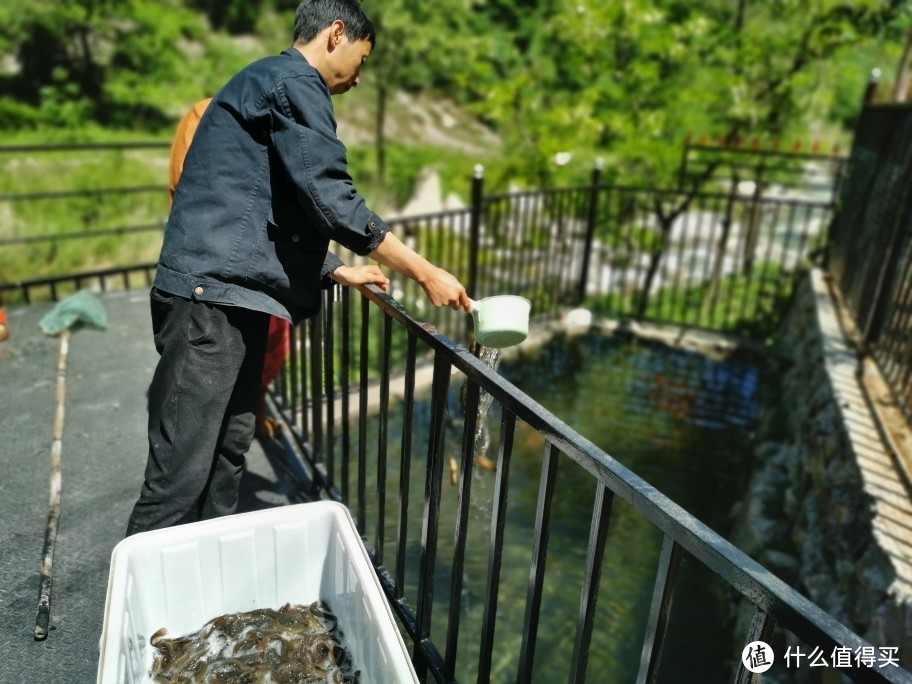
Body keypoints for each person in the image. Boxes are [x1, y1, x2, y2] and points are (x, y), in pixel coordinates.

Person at [126, 0, 470, 536]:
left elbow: (269, 206)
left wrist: (334, 269)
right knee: (179, 476)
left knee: (226, 455)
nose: (358, 78)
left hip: (228, 298)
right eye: (362, 59)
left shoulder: (266, 83)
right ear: (337, 33)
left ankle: (206, 602)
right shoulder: (293, 80)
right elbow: (331, 197)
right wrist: (423, 270)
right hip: (208, 301)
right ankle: (134, 616)